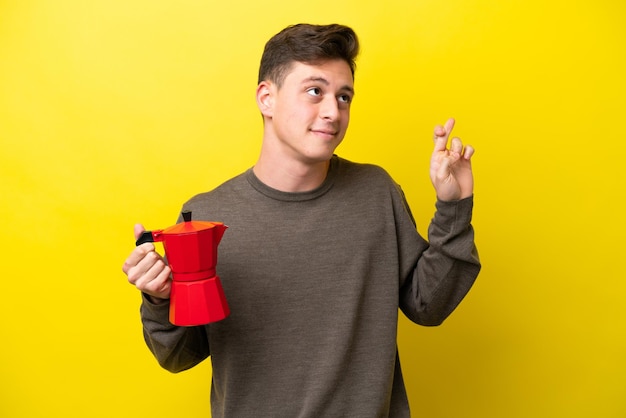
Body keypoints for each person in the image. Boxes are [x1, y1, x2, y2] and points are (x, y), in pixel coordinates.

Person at [123, 23, 480, 418]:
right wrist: (158, 298)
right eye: (315, 91)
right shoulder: (206, 217)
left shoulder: (376, 193)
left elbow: (428, 306)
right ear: (266, 98)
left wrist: (453, 206)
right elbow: (178, 356)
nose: (333, 111)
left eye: (344, 97)